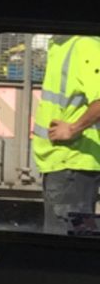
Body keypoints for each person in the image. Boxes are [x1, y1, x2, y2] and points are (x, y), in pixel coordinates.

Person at [31, 33, 100, 233]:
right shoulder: (62, 45)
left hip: (72, 163)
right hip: (62, 164)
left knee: (64, 242)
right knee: (70, 237)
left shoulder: (84, 46)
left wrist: (72, 129)